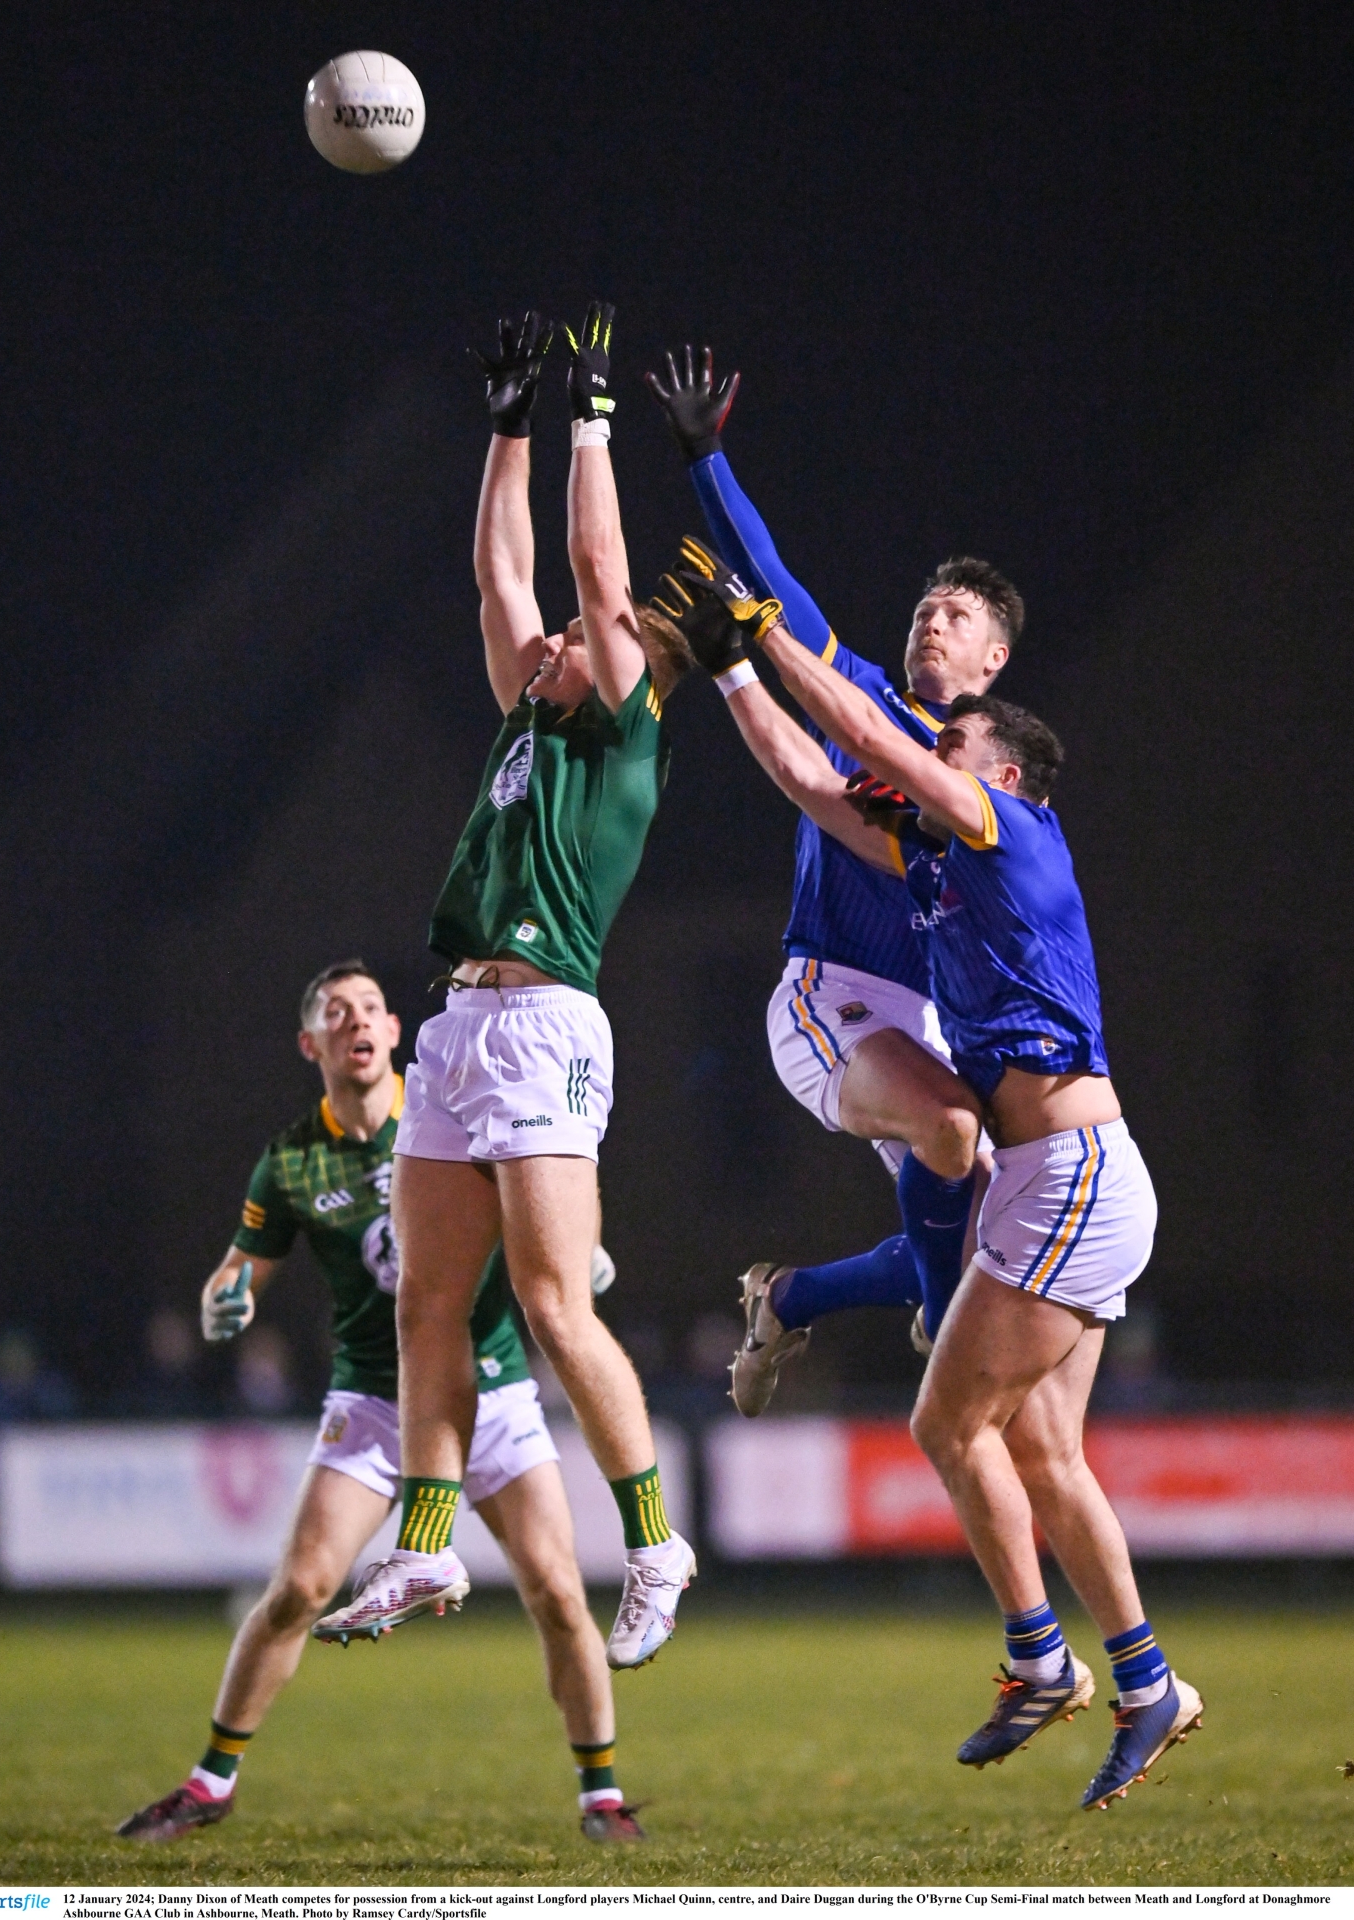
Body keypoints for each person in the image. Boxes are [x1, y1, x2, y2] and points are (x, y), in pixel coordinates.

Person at [664, 554, 1202, 1812]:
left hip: (1069, 1177)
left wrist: (770, 635)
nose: (928, 748)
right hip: (1064, 1176)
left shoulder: (1010, 832)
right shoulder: (944, 867)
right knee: (1045, 1452)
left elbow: (860, 733)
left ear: (999, 775)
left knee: (945, 1426)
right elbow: (816, 780)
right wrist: (735, 671)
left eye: (951, 744)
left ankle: (1041, 1661)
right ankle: (1148, 1685)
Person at [315, 308, 697, 1672]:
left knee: (550, 1303)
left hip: (545, 1026)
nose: (548, 644)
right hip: (460, 1025)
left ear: (629, 667)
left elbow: (595, 568)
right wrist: (507, 427)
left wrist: (592, 419)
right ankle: (426, 1547)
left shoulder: (624, 736)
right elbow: (501, 574)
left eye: (576, 641)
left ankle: (652, 1543)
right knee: (427, 1303)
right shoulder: (532, 719)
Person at [117, 962, 645, 1845]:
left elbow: (550, 1170)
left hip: (491, 1392)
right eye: (336, 1012)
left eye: (369, 1007)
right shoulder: (293, 1158)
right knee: (300, 1587)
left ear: (395, 1031)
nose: (356, 1020)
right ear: (310, 1044)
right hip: (372, 1401)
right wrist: (224, 1296)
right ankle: (209, 1783)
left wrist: (576, 1245)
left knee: (558, 1590)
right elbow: (240, 1266)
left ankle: (602, 1797)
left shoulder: (452, 1111)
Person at [646, 350, 1019, 1401]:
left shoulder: (996, 774)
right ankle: (940, 1337)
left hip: (927, 1021)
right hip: (833, 996)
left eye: (957, 615)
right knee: (952, 1146)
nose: (931, 620)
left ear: (992, 661)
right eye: (925, 608)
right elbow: (764, 579)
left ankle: (792, 1298)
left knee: (994, 1235)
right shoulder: (860, 696)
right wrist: (704, 456)